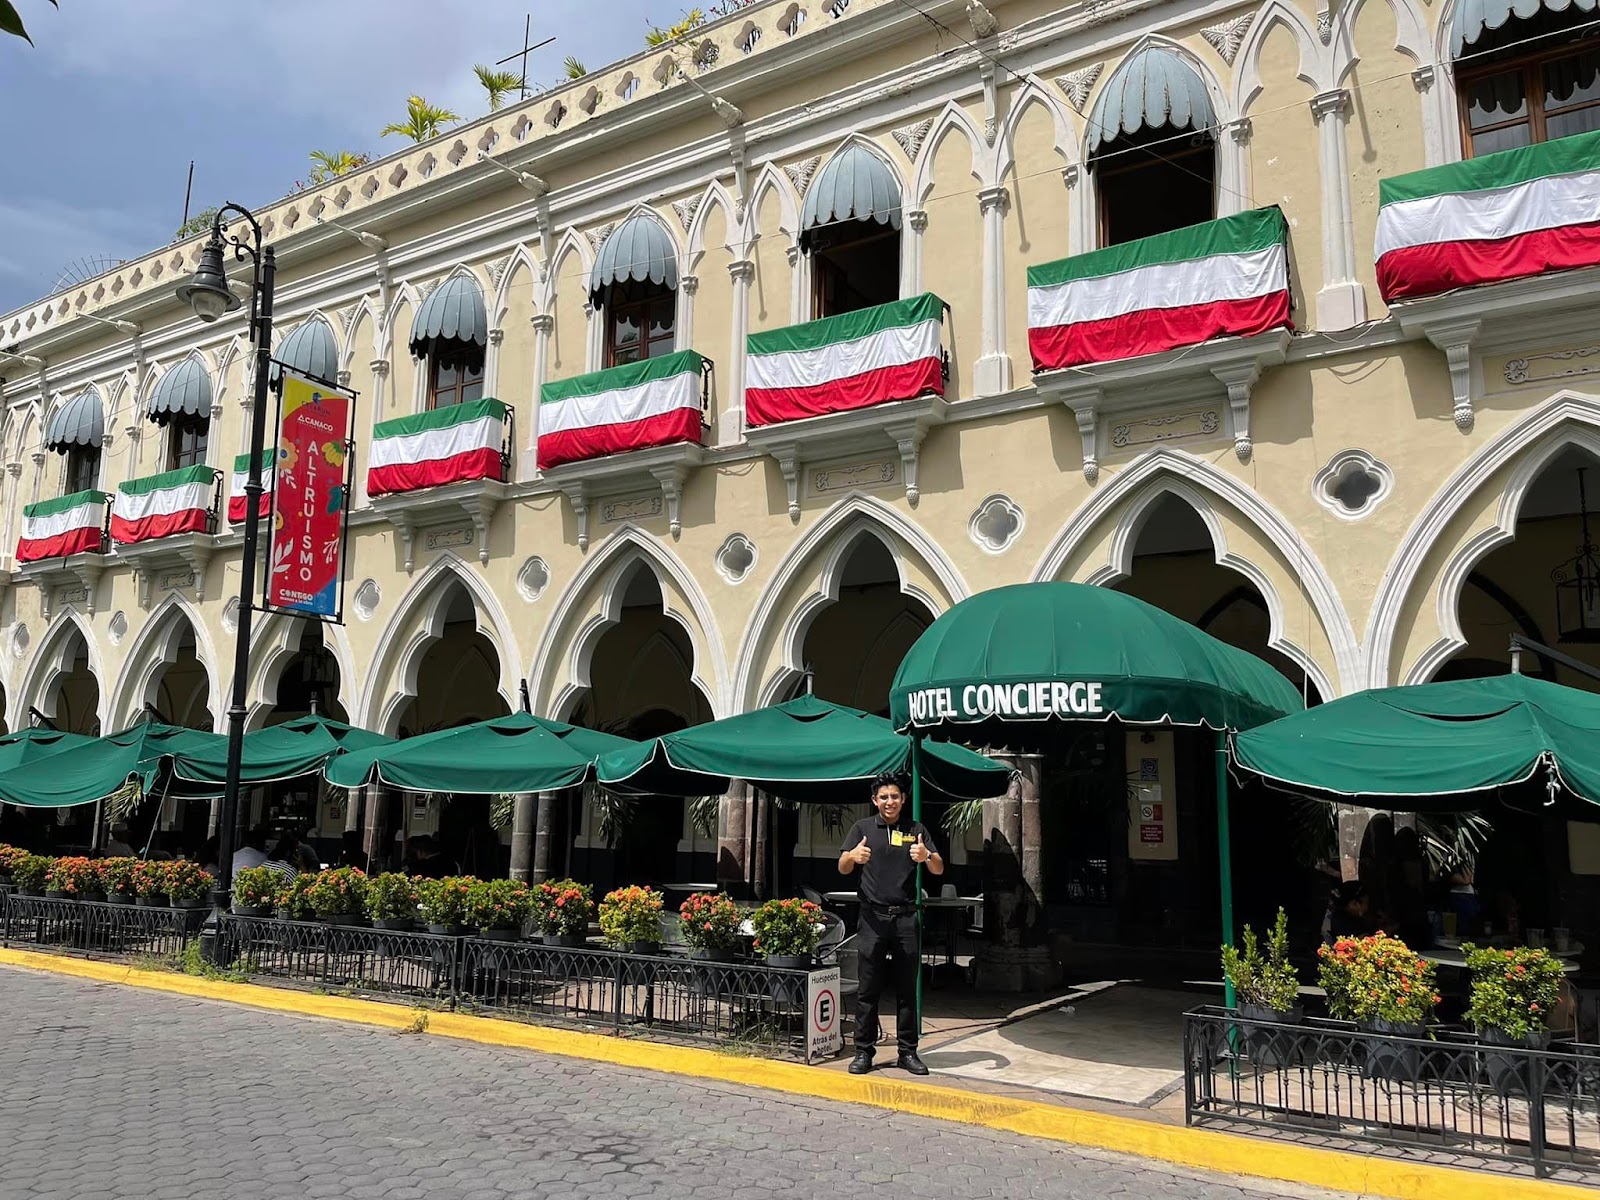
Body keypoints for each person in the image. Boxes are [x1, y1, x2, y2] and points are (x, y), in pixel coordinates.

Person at [837, 771, 944, 1077]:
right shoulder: (862, 828)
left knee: (907, 988)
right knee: (868, 988)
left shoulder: (916, 829)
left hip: (906, 918)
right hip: (872, 917)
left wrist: (926, 855)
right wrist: (853, 856)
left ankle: (907, 1052)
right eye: (883, 797)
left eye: (894, 796)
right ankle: (863, 1051)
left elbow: (938, 868)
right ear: (875, 800)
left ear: (903, 799)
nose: (889, 801)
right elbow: (842, 867)